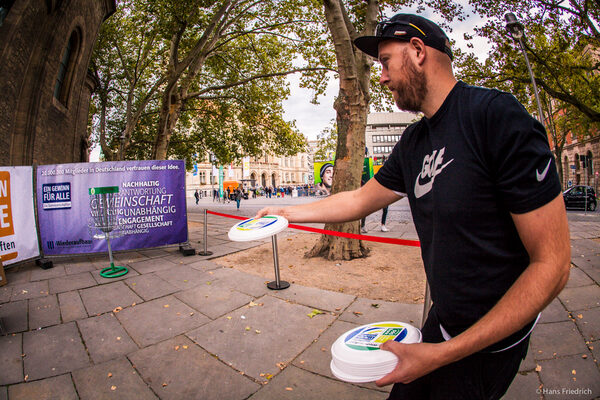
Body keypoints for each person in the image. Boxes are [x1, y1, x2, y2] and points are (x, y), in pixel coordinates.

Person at [255, 13, 570, 400]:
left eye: (386, 62)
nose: (382, 77)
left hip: (488, 341)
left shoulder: (496, 117)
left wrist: (441, 354)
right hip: (442, 321)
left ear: (418, 51)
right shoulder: (414, 141)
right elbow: (358, 199)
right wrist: (286, 213)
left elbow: (552, 267)